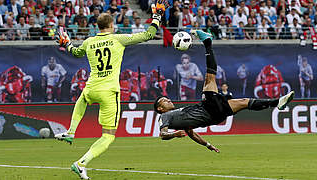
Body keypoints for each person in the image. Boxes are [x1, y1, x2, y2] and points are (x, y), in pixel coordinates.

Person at [54, 1, 167, 179]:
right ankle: (81, 163)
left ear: (98, 26)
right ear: (112, 26)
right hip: (109, 91)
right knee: (108, 136)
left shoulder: (89, 41)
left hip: (91, 87)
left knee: (82, 99)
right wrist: (157, 16)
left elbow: (75, 52)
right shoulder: (118, 39)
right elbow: (148, 35)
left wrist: (66, 43)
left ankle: (71, 131)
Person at [154, 30, 295, 152]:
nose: (168, 99)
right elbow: (163, 134)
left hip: (216, 115)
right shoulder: (165, 117)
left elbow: (191, 134)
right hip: (209, 108)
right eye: (164, 101)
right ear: (160, 109)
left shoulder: (179, 118)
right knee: (210, 78)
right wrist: (174, 135)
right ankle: (207, 41)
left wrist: (207, 145)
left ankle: (277, 102)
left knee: (244, 102)